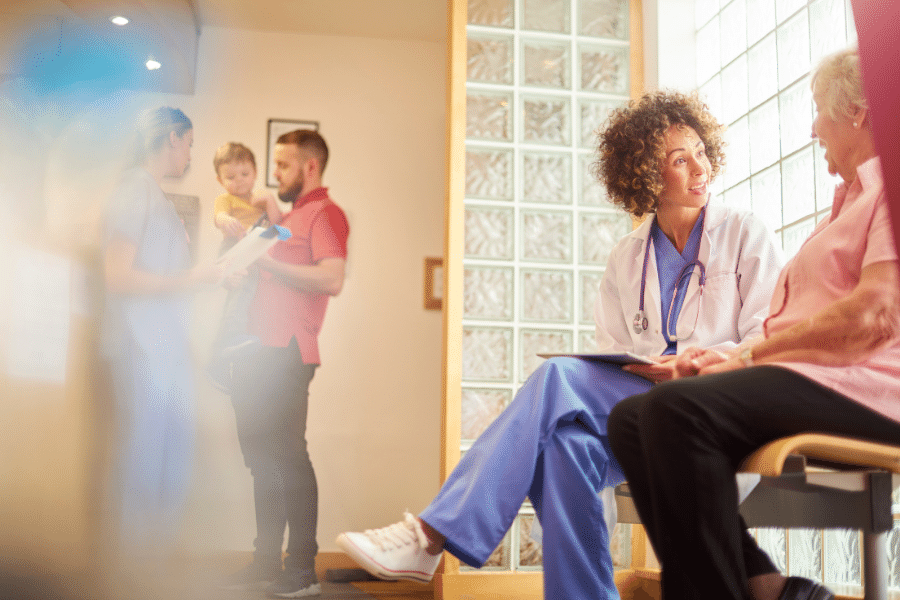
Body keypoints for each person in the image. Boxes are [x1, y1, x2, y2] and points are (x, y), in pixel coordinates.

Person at [336, 90, 784, 600]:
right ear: (646, 175)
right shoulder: (627, 257)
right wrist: (644, 369)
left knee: (558, 386)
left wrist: (698, 363)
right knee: (568, 445)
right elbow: (617, 352)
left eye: (701, 152)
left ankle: (432, 535)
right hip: (649, 415)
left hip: (716, 407)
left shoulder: (744, 233)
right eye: (680, 160)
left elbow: (766, 340)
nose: (700, 168)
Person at [607, 47, 899, 600]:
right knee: (630, 419)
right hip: (823, 378)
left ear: (858, 111)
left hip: (874, 387)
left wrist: (746, 356)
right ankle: (766, 586)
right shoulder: (845, 206)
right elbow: (800, 323)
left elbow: (873, 315)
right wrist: (727, 358)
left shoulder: (890, 193)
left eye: (820, 111)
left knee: (676, 413)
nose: (815, 129)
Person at [221, 129, 349, 599]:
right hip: (257, 351)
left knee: (289, 458)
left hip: (289, 352)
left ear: (309, 167)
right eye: (275, 166)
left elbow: (331, 279)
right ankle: (264, 562)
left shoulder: (325, 213)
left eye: (283, 166)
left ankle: (301, 570)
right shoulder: (288, 216)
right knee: (261, 460)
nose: (274, 175)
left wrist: (267, 263)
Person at [102, 107, 221, 558]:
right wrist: (194, 278)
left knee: (166, 454)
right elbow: (118, 276)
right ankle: (132, 564)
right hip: (142, 345)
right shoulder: (135, 190)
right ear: (173, 138)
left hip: (162, 347)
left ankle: (150, 559)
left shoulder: (151, 195)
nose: (190, 153)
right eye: (189, 143)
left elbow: (161, 275)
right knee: (144, 455)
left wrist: (201, 274)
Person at [207, 142, 283, 392]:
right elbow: (218, 216)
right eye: (230, 177)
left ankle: (225, 348)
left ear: (256, 172)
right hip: (233, 250)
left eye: (245, 174)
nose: (238, 181)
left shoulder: (260, 200)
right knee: (241, 292)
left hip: (254, 254)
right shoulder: (225, 199)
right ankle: (228, 339)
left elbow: (280, 227)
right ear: (220, 179)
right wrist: (226, 220)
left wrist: (270, 201)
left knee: (247, 295)